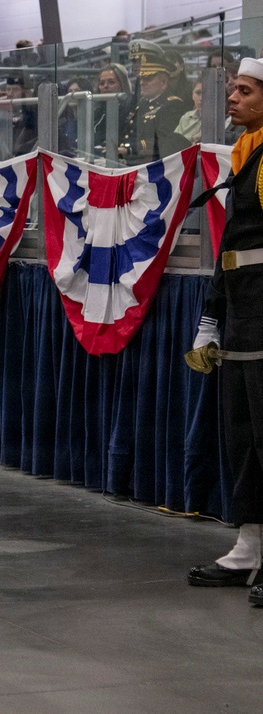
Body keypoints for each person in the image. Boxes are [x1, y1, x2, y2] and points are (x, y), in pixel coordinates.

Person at [186, 57, 263, 603]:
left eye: (244, 89)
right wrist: (211, 319)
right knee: (244, 434)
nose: (231, 97)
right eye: (232, 89)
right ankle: (251, 544)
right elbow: (232, 248)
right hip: (242, 311)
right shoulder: (245, 154)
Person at [121, 41, 189, 164]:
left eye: (148, 78)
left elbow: (162, 142)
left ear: (163, 82)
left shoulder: (173, 105)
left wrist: (128, 149)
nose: (142, 83)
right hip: (133, 162)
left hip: (153, 165)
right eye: (141, 78)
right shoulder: (142, 104)